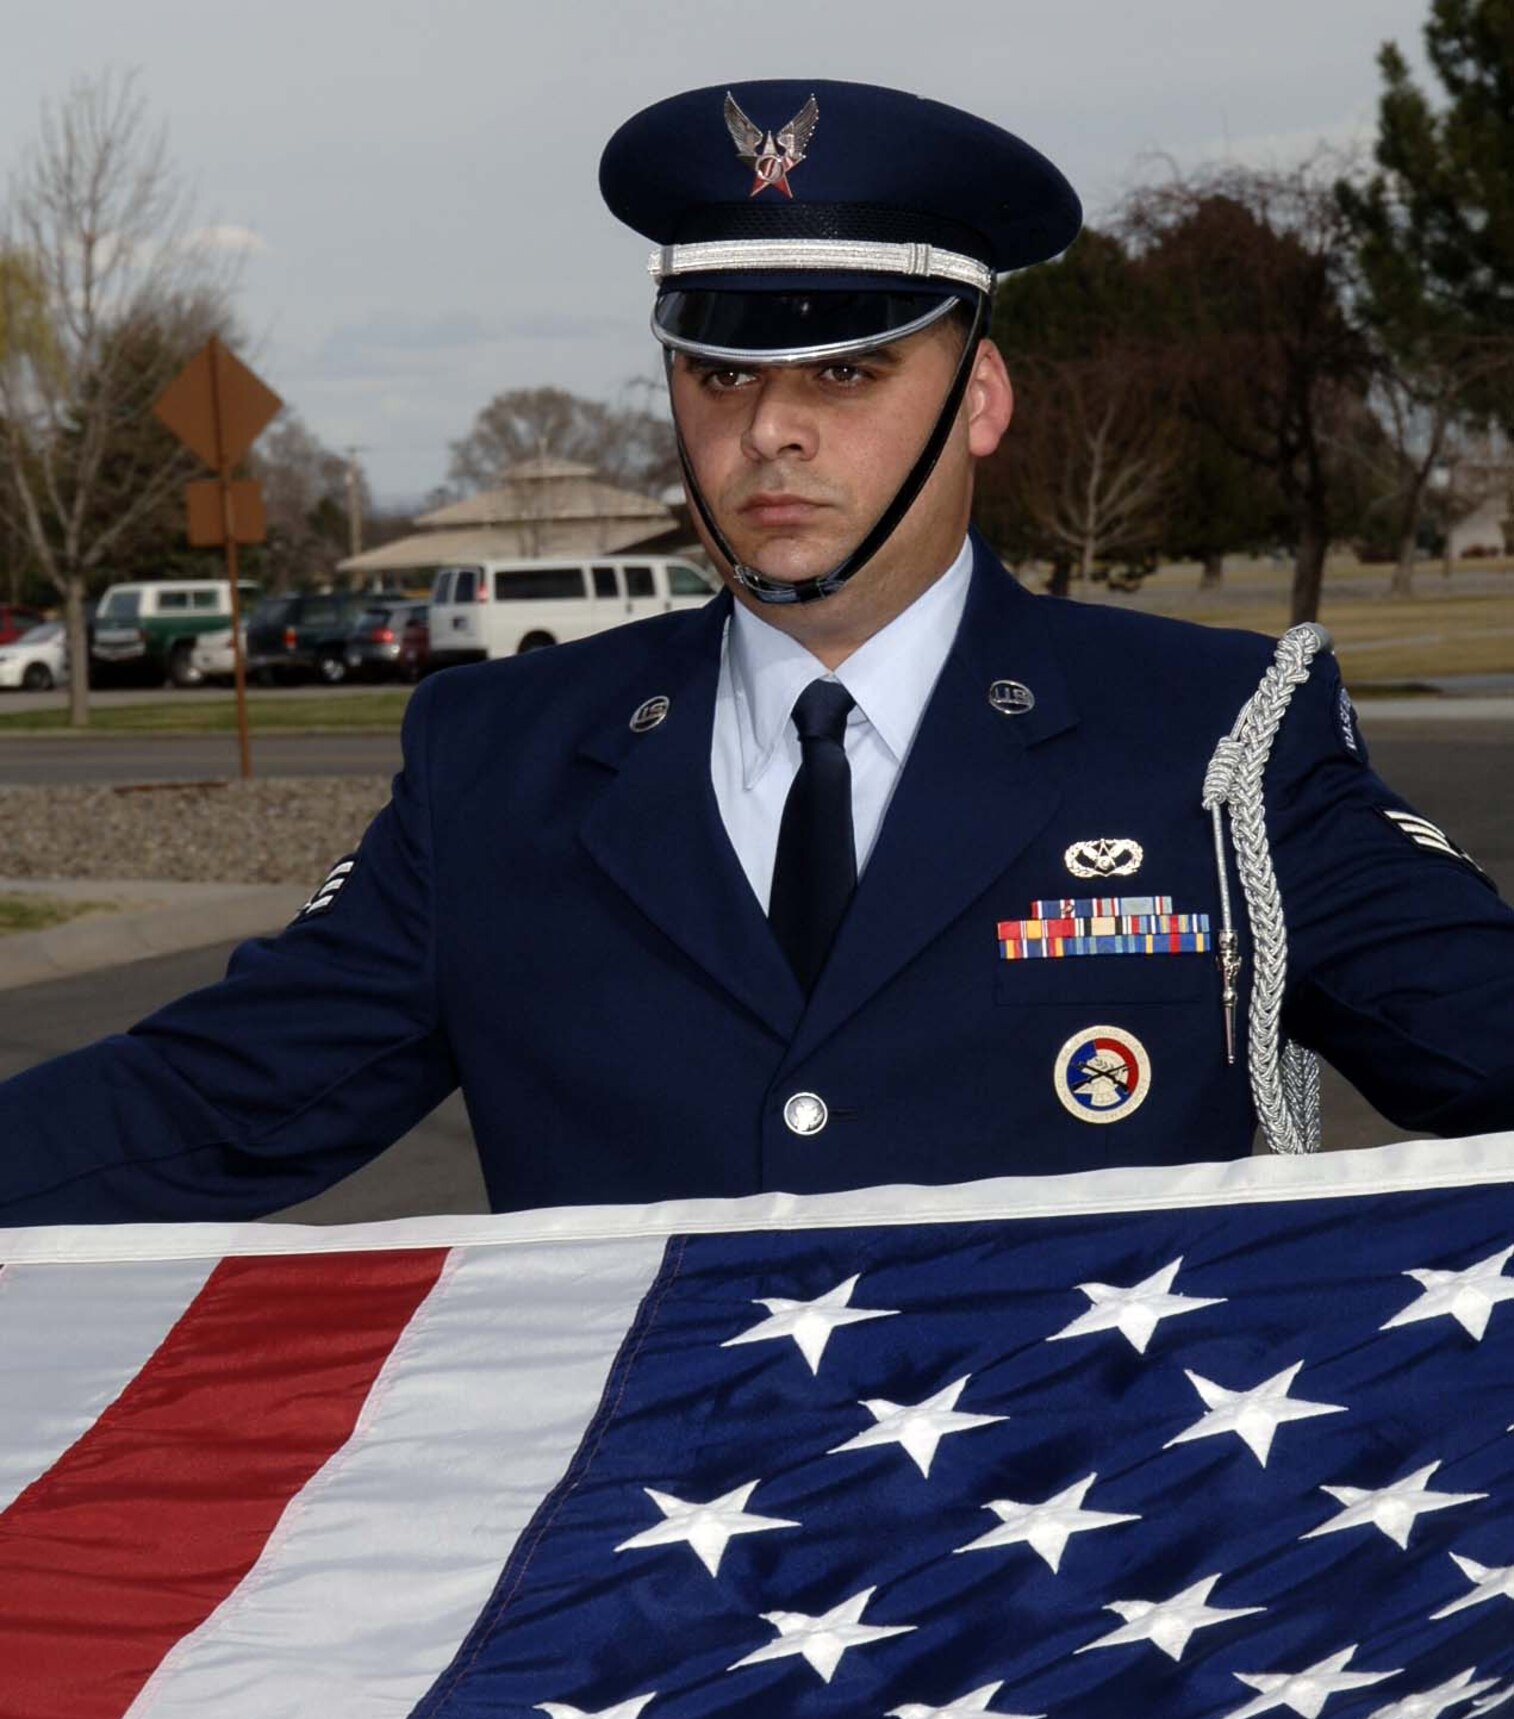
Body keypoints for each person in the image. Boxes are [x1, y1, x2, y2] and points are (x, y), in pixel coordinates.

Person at [2, 77, 1513, 1226]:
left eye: (848, 369)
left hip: (1071, 1597)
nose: (771, 429)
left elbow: (1474, 1031)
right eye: (721, 370)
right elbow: (218, 1100)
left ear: (978, 399)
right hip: (639, 1603)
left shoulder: (1214, 739)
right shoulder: (502, 758)